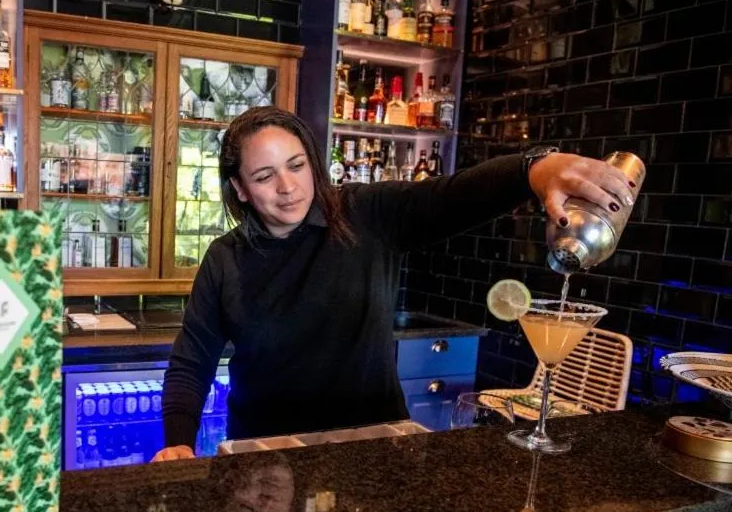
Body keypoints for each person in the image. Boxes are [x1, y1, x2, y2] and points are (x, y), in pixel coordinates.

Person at [155, 107, 637, 462]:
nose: (288, 187)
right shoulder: (225, 258)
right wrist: (177, 442)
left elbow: (453, 198)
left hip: (374, 448)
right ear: (239, 189)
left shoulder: (365, 214)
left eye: (297, 165)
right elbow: (190, 363)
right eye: (264, 176)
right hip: (263, 457)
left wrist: (532, 168)